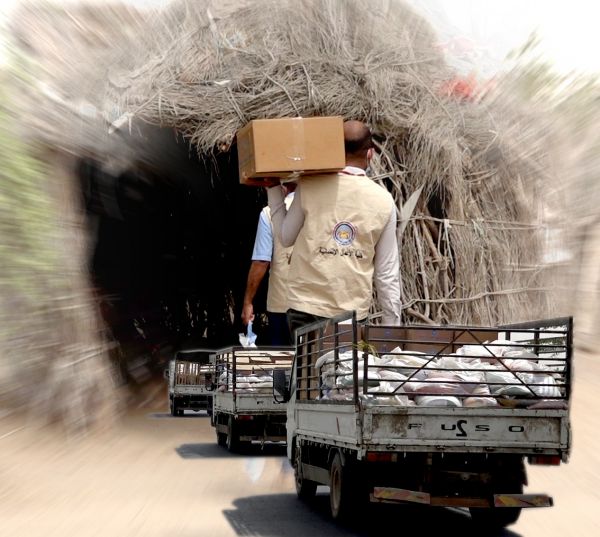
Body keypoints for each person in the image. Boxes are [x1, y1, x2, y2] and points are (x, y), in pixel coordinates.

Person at [267, 120, 401, 335]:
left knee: (306, 368)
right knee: (346, 369)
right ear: (370, 154)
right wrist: (391, 328)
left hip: (305, 307)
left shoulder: (309, 184)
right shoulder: (383, 201)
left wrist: (273, 188)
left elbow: (285, 237)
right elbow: (387, 273)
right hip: (351, 313)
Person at [241, 183, 296, 345]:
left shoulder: (269, 214)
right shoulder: (321, 209)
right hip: (316, 305)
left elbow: (261, 261)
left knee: (282, 361)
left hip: (282, 305)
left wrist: (248, 301)